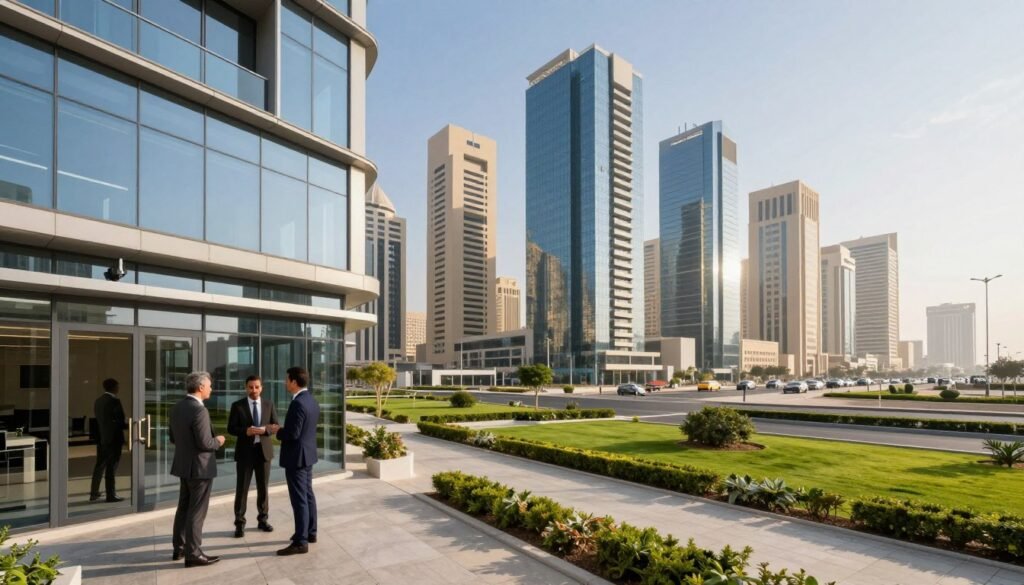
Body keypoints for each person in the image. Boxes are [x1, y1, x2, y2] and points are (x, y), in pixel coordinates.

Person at [169, 371, 225, 567]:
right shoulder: (199, 410)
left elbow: (172, 438)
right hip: (200, 468)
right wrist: (218, 441)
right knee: (196, 511)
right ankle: (193, 554)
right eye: (209, 385)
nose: (211, 388)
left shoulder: (177, 407)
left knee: (183, 508)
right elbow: (205, 443)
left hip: (184, 466)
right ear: (201, 387)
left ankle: (180, 548)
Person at [275, 366, 319, 556]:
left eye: (287, 380)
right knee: (308, 495)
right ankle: (310, 532)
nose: (285, 383)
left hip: (297, 458)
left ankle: (301, 541)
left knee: (299, 499)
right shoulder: (311, 400)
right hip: (307, 455)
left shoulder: (298, 403)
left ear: (294, 381)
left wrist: (277, 430)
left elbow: (292, 434)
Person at [227, 375, 278, 537]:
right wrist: (245, 431)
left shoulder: (269, 404)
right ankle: (239, 523)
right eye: (250, 387)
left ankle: (263, 520)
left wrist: (265, 430)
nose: (253, 390)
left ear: (261, 387)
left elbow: (275, 425)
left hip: (264, 453)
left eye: (256, 387)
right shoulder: (237, 406)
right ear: (245, 388)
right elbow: (231, 428)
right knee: (242, 489)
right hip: (245, 453)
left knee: (263, 488)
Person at [90, 378, 126, 502]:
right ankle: (111, 494)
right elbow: (120, 421)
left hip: (102, 439)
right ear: (114, 387)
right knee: (111, 468)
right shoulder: (115, 401)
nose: (119, 388)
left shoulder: (98, 401)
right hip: (114, 440)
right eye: (118, 386)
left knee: (99, 465)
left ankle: (94, 493)